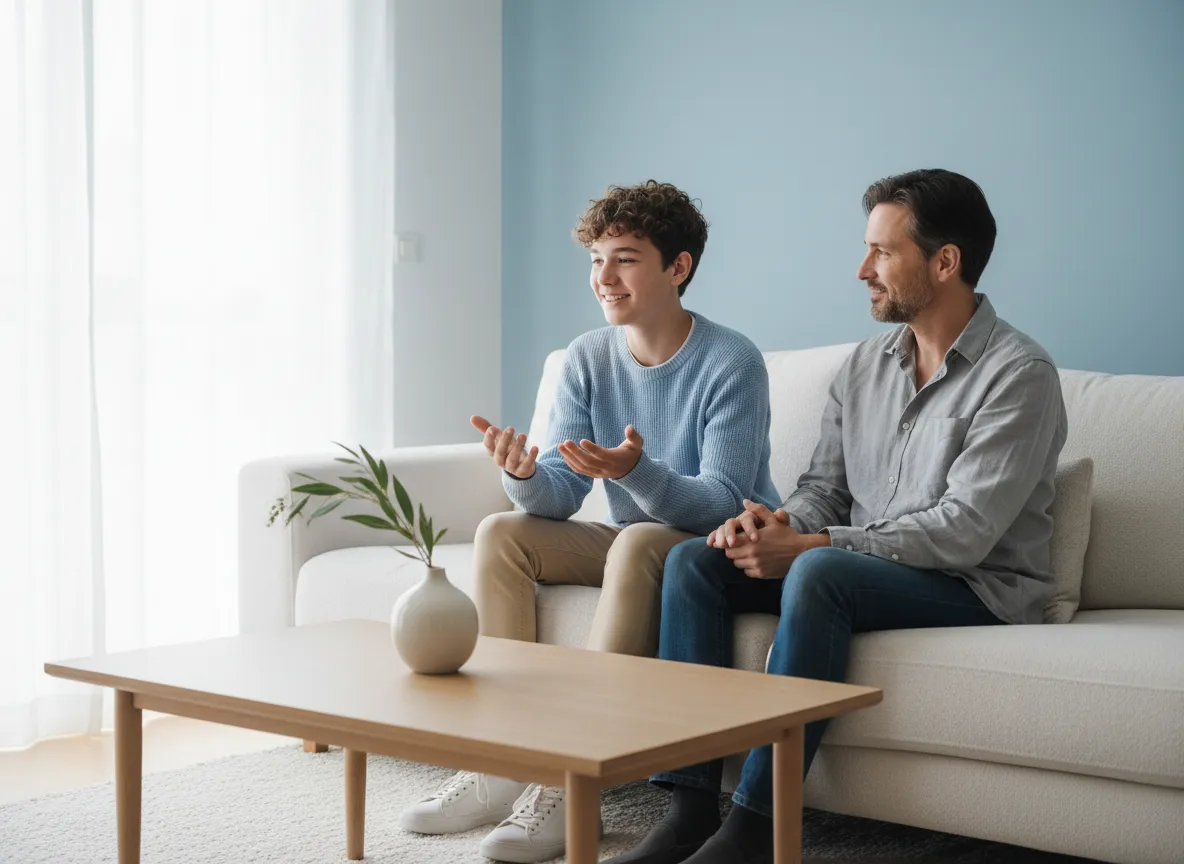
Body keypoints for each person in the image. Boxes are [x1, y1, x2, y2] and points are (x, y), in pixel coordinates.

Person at [607, 168, 1068, 864]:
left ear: (945, 262)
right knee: (694, 560)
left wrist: (813, 544)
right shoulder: (864, 366)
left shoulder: (1019, 374)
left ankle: (755, 830)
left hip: (976, 586)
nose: (862, 270)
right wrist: (771, 524)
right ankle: (690, 807)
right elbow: (824, 489)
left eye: (883, 252)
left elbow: (963, 529)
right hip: (867, 564)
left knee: (821, 571)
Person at [399, 180, 780, 864]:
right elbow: (561, 496)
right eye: (597, 259)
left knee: (636, 541)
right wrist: (520, 475)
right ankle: (501, 760)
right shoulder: (586, 357)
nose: (604, 277)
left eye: (625, 258)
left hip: (714, 548)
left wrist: (634, 471)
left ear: (678, 267)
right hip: (635, 535)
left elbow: (723, 498)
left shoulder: (731, 360)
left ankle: (567, 782)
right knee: (504, 533)